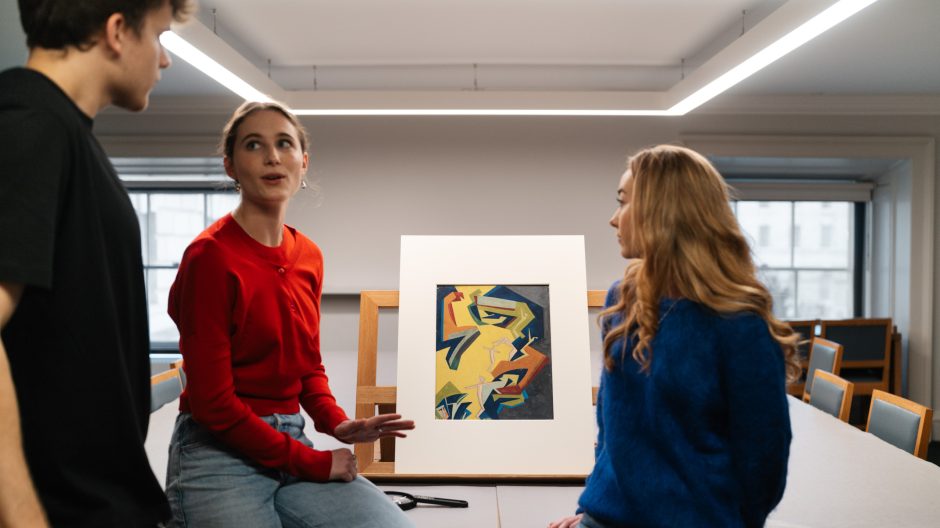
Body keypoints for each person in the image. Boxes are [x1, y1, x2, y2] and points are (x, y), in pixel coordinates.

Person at [165, 101, 416, 527]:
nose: (272, 156)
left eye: (284, 143)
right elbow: (214, 405)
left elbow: (306, 365)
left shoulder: (308, 256)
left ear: (304, 161)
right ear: (230, 165)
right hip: (217, 453)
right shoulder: (209, 257)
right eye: (253, 145)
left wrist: (337, 424)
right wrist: (312, 463)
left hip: (289, 438)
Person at [0, 1, 194, 526]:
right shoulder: (30, 127)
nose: (164, 60)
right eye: (159, 36)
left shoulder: (65, 134)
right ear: (116, 32)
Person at [550, 145, 800, 528]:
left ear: (663, 213)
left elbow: (763, 458)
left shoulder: (738, 323)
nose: (613, 220)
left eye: (624, 202)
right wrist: (594, 507)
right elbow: (613, 429)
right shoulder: (623, 300)